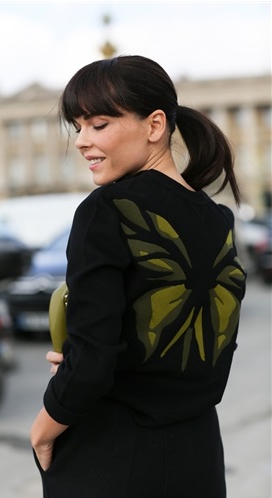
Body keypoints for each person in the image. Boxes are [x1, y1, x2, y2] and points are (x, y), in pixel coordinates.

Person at [30, 55, 246, 497]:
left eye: (99, 124)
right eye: (78, 127)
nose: (81, 141)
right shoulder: (217, 218)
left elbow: (94, 361)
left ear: (154, 125)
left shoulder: (106, 210)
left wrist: (44, 428)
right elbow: (204, 346)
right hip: (200, 456)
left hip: (113, 455)